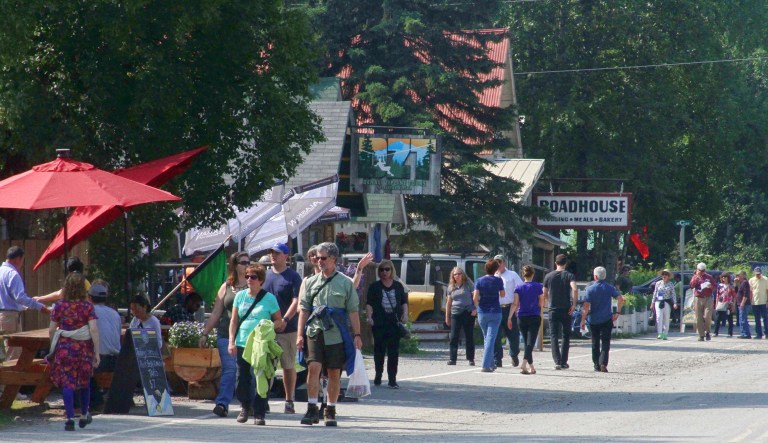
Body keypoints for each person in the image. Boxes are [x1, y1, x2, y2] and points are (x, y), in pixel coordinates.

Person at [297, 242, 362, 427]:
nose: (319, 261)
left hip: (336, 333)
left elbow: (353, 311)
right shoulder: (310, 282)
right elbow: (304, 310)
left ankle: (330, 409)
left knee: (334, 372)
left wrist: (357, 334)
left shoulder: (345, 283)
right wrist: (299, 335)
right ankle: (311, 409)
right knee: (313, 368)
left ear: (333, 258)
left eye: (323, 258)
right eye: (317, 258)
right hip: (315, 331)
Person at [228, 263, 283, 426]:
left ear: (261, 280)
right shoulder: (240, 296)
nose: (249, 280)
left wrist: (269, 327)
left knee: (261, 378)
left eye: (253, 277)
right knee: (242, 378)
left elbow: (279, 321)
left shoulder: (269, 298)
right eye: (247, 276)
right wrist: (231, 341)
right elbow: (234, 320)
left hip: (261, 344)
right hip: (243, 341)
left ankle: (259, 413)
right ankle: (245, 406)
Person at [199, 252, 250, 418]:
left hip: (248, 336)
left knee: (247, 370)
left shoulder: (254, 285)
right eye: (243, 262)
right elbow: (215, 313)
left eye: (248, 262)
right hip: (226, 334)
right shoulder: (226, 286)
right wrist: (205, 333)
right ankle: (222, 403)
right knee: (230, 368)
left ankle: (250, 402)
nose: (246, 265)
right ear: (234, 265)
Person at [48, 273, 100, 431]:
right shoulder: (88, 306)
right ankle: (84, 414)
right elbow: (93, 330)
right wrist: (97, 352)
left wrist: (54, 346)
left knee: (67, 382)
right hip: (83, 348)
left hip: (64, 347)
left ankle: (69, 418)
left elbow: (51, 329)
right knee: (84, 382)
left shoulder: (59, 306)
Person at [263, 243, 303, 414]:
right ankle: (263, 399)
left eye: (277, 253)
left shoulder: (293, 277)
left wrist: (285, 319)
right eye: (272, 252)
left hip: (288, 328)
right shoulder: (264, 276)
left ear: (286, 256)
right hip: (267, 329)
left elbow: (297, 301)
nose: (273, 255)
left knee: (287, 365)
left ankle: (289, 399)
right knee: (265, 365)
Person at [0, 246, 50, 362]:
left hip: (3, 315)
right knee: (13, 351)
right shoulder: (12, 274)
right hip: (9, 318)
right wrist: (39, 306)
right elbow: (20, 297)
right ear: (18, 258)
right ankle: (11, 379)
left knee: (2, 352)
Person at [366, 259, 408, 388]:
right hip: (379, 323)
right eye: (382, 270)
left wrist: (405, 314)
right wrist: (369, 317)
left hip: (394, 323)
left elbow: (404, 302)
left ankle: (392, 379)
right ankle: (378, 375)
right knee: (379, 351)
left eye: (387, 269)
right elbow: (369, 304)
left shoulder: (398, 286)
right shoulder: (375, 286)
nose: (384, 272)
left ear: (391, 270)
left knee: (393, 352)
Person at [580, 267, 623, 373]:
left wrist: (582, 320)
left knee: (595, 343)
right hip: (607, 318)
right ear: (605, 276)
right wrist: (617, 312)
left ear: (595, 276)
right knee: (605, 342)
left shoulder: (590, 289)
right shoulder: (609, 287)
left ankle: (596, 365)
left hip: (593, 319)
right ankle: (603, 363)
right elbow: (620, 298)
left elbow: (586, 306)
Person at [86, 280, 121, 408]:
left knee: (80, 364)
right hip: (117, 359)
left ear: (89, 297)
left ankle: (94, 401)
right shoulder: (115, 314)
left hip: (101, 359)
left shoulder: (89, 311)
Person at [542, 254, 578, 370]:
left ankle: (557, 361)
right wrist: (574, 304)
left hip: (553, 308)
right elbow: (575, 288)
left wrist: (547, 302)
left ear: (555, 263)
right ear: (565, 263)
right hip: (566, 308)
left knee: (553, 335)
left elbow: (544, 292)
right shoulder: (569, 275)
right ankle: (563, 361)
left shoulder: (548, 276)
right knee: (566, 335)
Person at [510, 265, 544, 375]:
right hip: (534, 315)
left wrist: (509, 316)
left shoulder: (518, 287)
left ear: (523, 274)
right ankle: (524, 363)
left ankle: (532, 367)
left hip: (521, 316)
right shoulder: (538, 286)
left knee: (527, 342)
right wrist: (540, 309)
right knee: (530, 342)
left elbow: (515, 303)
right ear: (533, 274)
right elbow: (541, 302)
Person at [473, 259, 504, 373]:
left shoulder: (479, 281)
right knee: (491, 338)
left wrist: (477, 307)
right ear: (496, 269)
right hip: (495, 311)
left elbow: (475, 297)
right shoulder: (498, 280)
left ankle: (491, 364)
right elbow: (502, 294)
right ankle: (485, 365)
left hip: (482, 311)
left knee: (487, 337)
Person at [493, 255, 523, 368]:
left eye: (500, 262)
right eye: (496, 262)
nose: (498, 264)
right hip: (496, 308)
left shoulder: (512, 275)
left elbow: (521, 289)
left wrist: (518, 306)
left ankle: (514, 354)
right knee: (496, 335)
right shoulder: (493, 276)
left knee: (513, 335)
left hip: (510, 308)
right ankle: (497, 359)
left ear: (504, 263)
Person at [445, 267, 476, 366]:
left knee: (469, 336)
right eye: (455, 274)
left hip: (468, 312)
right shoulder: (451, 287)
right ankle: (452, 358)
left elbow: (475, 297)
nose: (457, 276)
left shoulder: (468, 284)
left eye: (459, 274)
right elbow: (448, 303)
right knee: (454, 336)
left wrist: (475, 308)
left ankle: (471, 358)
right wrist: (447, 317)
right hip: (455, 313)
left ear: (462, 275)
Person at [689, 262, 716, 341]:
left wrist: (711, 286)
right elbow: (691, 286)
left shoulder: (709, 277)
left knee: (707, 316)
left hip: (708, 298)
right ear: (697, 270)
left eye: (703, 270)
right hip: (698, 298)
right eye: (700, 270)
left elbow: (715, 287)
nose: (701, 272)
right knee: (698, 317)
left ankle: (708, 331)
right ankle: (701, 335)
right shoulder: (695, 277)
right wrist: (696, 277)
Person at [652, 270, 677, 340]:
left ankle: (665, 333)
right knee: (659, 317)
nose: (664, 276)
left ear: (668, 276)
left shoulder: (671, 284)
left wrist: (674, 303)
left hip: (667, 302)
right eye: (663, 274)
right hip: (659, 301)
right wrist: (652, 302)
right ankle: (659, 333)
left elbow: (673, 294)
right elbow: (655, 293)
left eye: (666, 274)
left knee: (666, 318)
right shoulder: (658, 283)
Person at [749, 267, 768, 339]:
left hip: (763, 301)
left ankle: (767, 333)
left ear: (761, 273)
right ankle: (759, 334)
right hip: (755, 302)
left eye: (759, 274)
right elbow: (751, 291)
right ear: (754, 273)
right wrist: (751, 301)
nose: (758, 275)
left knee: (765, 318)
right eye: (756, 274)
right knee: (757, 319)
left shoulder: (766, 279)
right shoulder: (751, 280)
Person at [735, 271, 752, 339]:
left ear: (743, 276)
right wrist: (736, 283)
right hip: (740, 303)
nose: (737, 277)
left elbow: (746, 294)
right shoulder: (741, 283)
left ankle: (745, 334)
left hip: (744, 304)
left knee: (743, 319)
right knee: (741, 318)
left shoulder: (745, 282)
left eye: (739, 275)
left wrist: (742, 303)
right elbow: (736, 291)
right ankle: (744, 333)